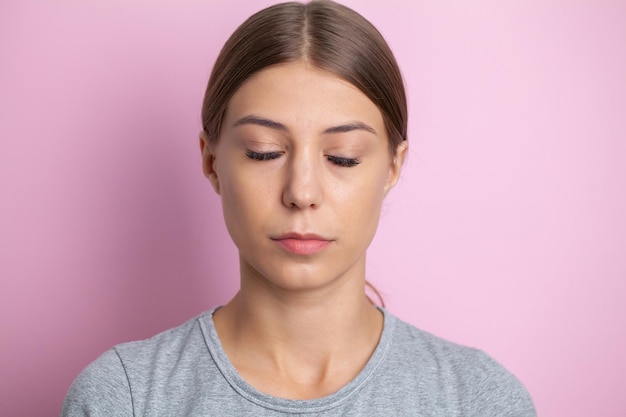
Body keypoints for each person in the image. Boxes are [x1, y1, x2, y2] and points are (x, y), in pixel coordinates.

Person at [61, 1, 536, 415]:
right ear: (211, 160)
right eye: (264, 152)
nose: (302, 192)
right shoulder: (123, 399)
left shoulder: (478, 399)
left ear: (392, 168)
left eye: (342, 157)